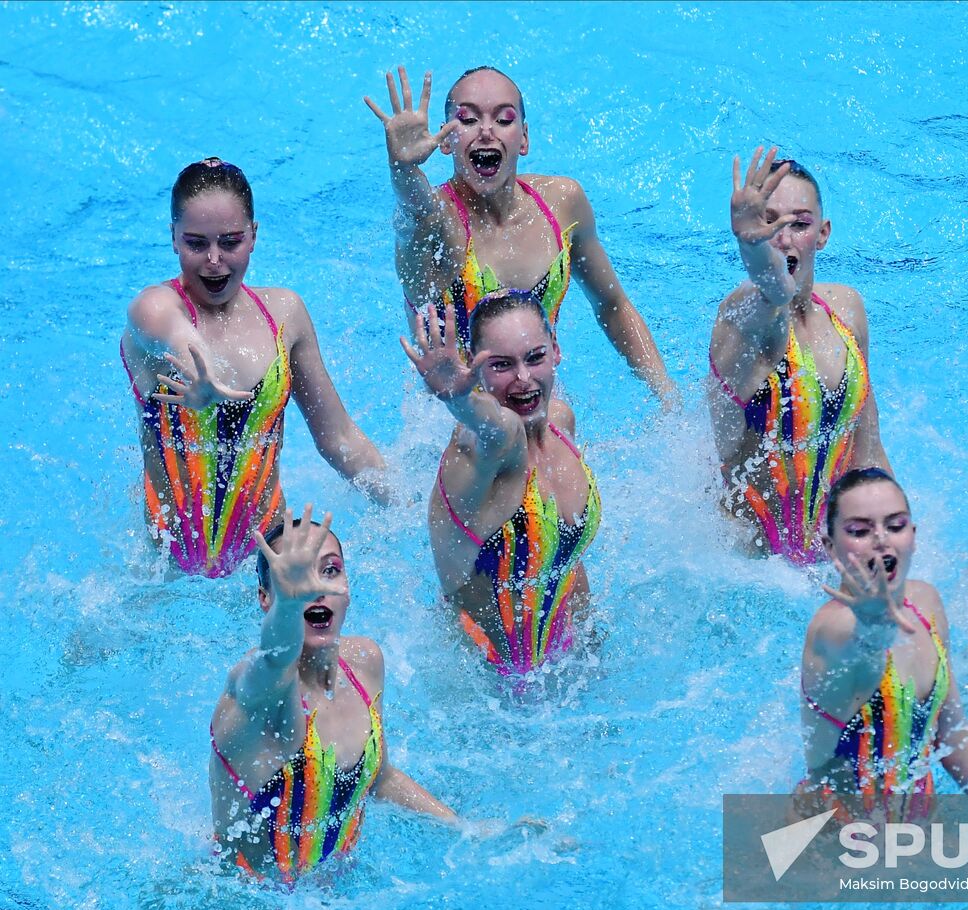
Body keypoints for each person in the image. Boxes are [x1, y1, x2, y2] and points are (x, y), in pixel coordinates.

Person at [120, 158, 388, 579]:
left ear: (254, 236)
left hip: (263, 563)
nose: (214, 260)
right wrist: (200, 368)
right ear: (173, 238)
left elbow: (338, 438)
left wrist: (405, 506)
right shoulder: (152, 308)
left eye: (230, 241)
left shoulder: (284, 315)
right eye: (196, 243)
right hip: (166, 571)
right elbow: (176, 333)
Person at [365, 65, 676, 401]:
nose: (486, 131)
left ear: (524, 138)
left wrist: (667, 397)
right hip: (461, 421)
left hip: (536, 403)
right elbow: (413, 212)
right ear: (445, 140)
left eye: (504, 118)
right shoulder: (438, 224)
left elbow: (612, 304)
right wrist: (402, 167)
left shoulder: (562, 204)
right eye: (468, 120)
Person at [210, 509, 454, 882]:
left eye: (330, 570)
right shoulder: (260, 691)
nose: (314, 588)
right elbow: (276, 658)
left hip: (331, 900)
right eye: (295, 577)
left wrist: (468, 830)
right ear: (265, 598)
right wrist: (290, 607)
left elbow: (380, 779)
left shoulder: (365, 666)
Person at [796, 468, 968, 824]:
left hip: (914, 830)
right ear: (830, 546)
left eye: (895, 525)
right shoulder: (830, 629)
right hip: (830, 846)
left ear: (913, 535)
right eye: (860, 531)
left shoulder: (925, 604)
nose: (881, 539)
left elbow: (952, 732)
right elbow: (863, 652)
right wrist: (874, 624)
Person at [402, 294, 599, 679]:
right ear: (475, 369)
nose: (523, 378)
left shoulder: (561, 422)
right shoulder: (484, 448)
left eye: (535, 357)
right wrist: (458, 399)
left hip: (564, 663)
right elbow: (491, 426)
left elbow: (567, 556)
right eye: (501, 365)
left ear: (556, 350)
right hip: (479, 684)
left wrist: (591, 648)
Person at [709, 147, 889, 565]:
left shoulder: (847, 312)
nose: (784, 237)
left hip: (830, 550)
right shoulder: (743, 318)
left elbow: (869, 449)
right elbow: (775, 289)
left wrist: (896, 531)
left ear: (823, 234)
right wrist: (752, 246)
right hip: (747, 565)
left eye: (800, 224)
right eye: (768, 221)